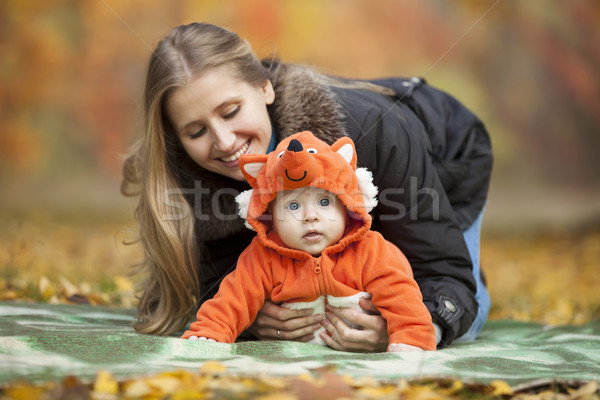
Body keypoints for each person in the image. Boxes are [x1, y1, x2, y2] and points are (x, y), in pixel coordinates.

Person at [121, 22, 493, 350]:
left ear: (264, 87)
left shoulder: (377, 129)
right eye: (197, 131)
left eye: (231, 111)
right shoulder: (187, 175)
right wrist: (252, 319)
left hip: (443, 153)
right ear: (178, 138)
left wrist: (408, 327)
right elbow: (224, 276)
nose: (223, 142)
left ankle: (472, 264)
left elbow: (441, 269)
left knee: (450, 304)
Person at [181, 131, 436, 352]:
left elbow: (402, 297)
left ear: (346, 206)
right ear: (271, 218)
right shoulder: (262, 257)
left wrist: (411, 339)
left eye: (324, 202)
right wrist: (210, 333)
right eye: (293, 206)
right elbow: (231, 300)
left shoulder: (371, 250)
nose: (310, 216)